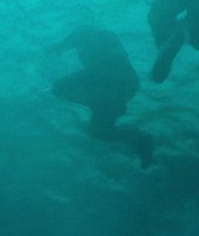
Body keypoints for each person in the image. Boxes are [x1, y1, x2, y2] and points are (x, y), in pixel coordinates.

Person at [50, 25, 154, 168]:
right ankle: (137, 138)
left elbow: (107, 67)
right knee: (97, 130)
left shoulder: (100, 40)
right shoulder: (100, 41)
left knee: (60, 88)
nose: (79, 52)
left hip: (115, 85)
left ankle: (136, 136)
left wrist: (61, 48)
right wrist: (61, 47)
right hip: (117, 91)